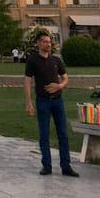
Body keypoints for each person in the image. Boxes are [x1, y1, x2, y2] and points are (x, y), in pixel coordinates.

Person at [24, 32, 78, 177]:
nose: (48, 44)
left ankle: (66, 166)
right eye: (45, 42)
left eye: (49, 42)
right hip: (42, 102)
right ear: (38, 44)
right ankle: (46, 166)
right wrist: (29, 102)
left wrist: (59, 86)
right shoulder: (32, 61)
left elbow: (66, 78)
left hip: (58, 101)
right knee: (44, 134)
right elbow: (28, 81)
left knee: (63, 134)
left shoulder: (56, 60)